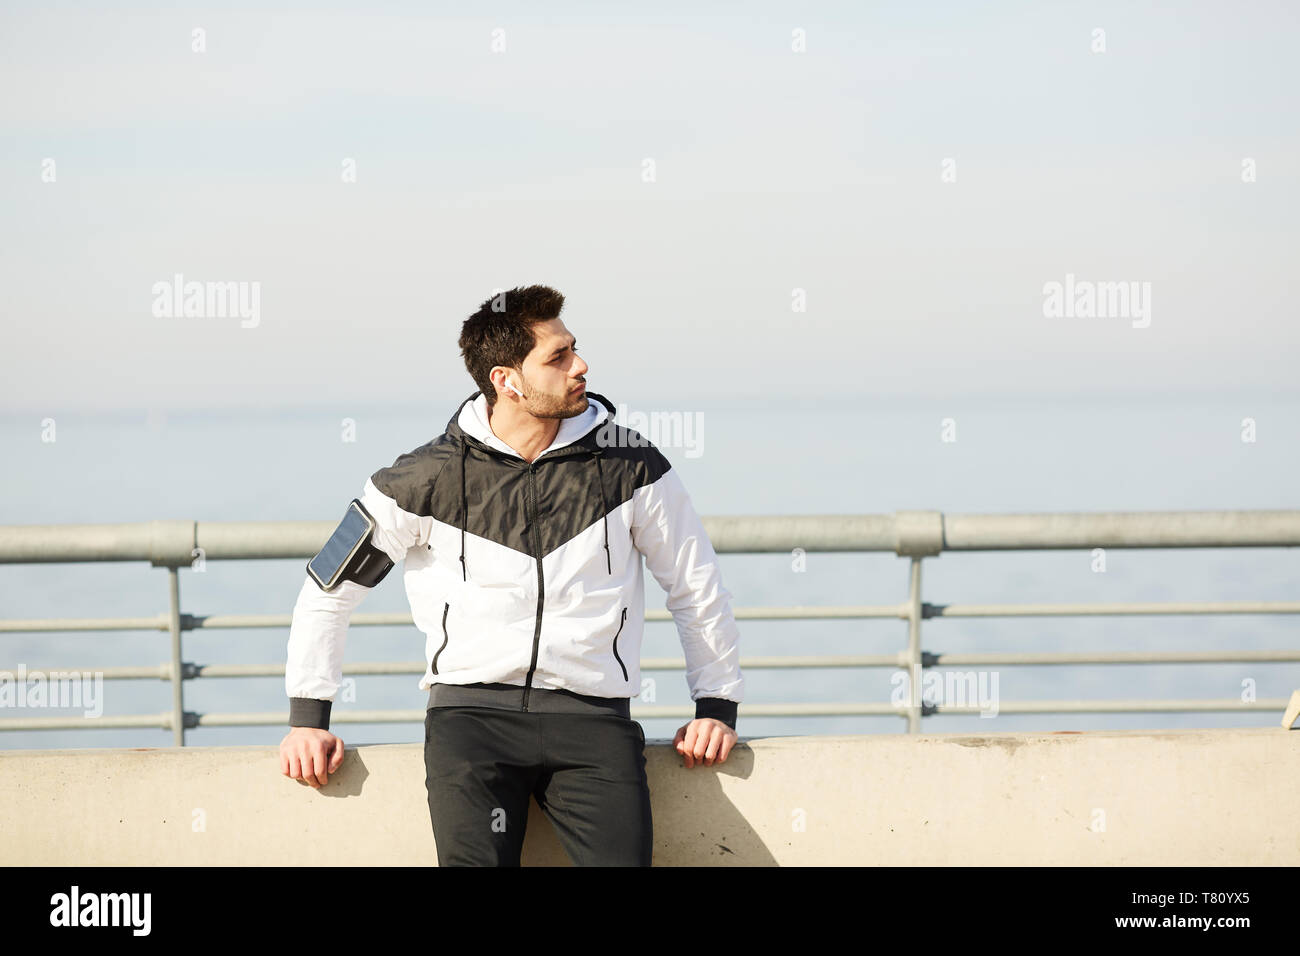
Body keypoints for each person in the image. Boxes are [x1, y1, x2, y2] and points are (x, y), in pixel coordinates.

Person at [278, 285, 744, 866]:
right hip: (471, 725)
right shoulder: (421, 479)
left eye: (574, 348)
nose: (581, 366)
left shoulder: (633, 466)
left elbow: (696, 587)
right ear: (506, 379)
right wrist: (308, 719)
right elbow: (329, 592)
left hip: (593, 722)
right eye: (558, 357)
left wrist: (715, 706)